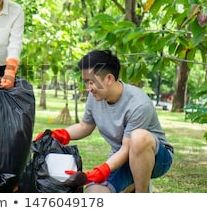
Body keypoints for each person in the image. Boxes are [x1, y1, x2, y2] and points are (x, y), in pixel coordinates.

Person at [36, 50, 173, 193]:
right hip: (121, 158)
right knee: (93, 193)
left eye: (91, 82)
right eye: (86, 82)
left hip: (157, 158)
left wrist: (102, 171)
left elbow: (128, 147)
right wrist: (58, 135)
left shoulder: (139, 104)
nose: (88, 88)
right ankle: (129, 186)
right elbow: (85, 126)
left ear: (109, 79)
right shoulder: (94, 97)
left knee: (138, 137)